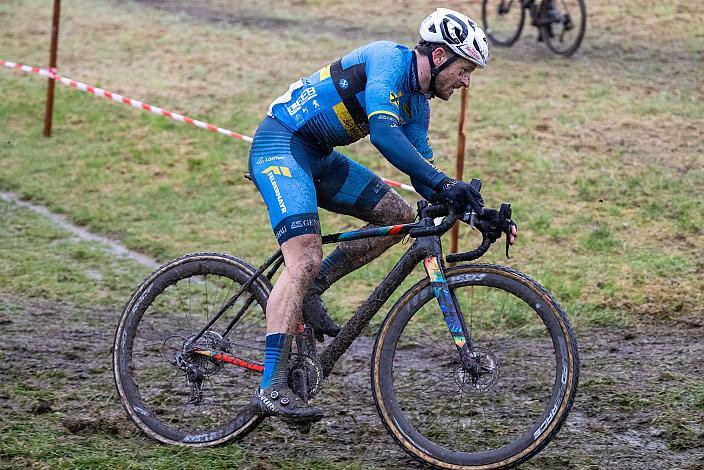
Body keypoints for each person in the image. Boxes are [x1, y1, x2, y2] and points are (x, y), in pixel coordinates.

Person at [249, 8, 514, 421]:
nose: (465, 83)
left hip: (317, 158)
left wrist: (478, 214)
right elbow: (385, 134)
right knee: (303, 257)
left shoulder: (418, 106)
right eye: (465, 70)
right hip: (280, 147)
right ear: (440, 57)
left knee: (398, 216)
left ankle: (311, 289)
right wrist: (445, 183)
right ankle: (270, 385)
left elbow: (424, 179)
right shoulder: (388, 60)